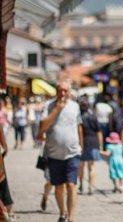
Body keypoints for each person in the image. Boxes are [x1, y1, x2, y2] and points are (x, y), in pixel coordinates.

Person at [39, 81, 83, 222]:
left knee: (71, 185)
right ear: (56, 91)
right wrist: (56, 110)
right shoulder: (48, 106)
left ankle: (72, 217)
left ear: (69, 91)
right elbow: (42, 126)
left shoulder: (75, 106)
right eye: (60, 90)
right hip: (53, 153)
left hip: (72, 152)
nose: (63, 93)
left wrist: (81, 146)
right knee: (58, 186)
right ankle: (62, 213)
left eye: (65, 91)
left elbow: (78, 126)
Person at [78, 97, 103, 195]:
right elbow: (99, 132)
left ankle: (81, 185)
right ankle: (91, 186)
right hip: (93, 142)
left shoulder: (78, 117)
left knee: (81, 166)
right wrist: (100, 145)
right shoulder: (93, 116)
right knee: (91, 166)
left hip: (81, 143)